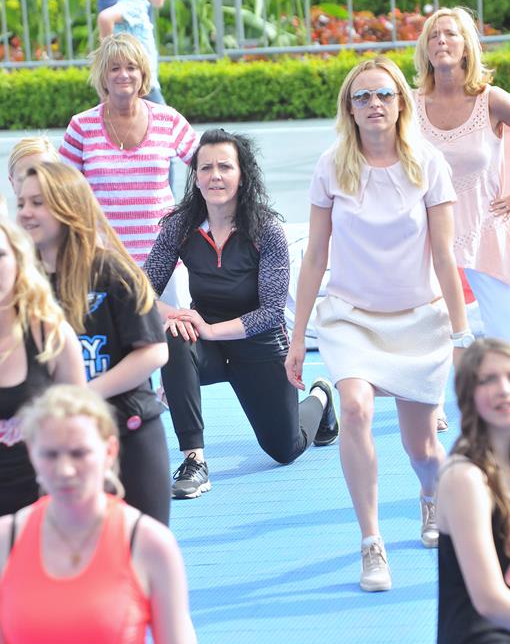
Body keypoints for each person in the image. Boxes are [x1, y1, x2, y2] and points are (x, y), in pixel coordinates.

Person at [285, 57, 470, 592]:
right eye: (362, 96)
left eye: (384, 94)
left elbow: (445, 256)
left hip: (419, 322)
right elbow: (315, 257)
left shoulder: (429, 163)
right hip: (351, 319)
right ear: (349, 107)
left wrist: (461, 336)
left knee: (423, 450)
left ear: (400, 102)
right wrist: (297, 337)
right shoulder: (331, 166)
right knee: (355, 409)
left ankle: (431, 498)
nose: (374, 104)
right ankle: (371, 542)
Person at [144, 128, 339, 499]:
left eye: (225, 167)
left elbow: (270, 313)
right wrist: (176, 315)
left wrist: (210, 329)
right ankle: (194, 461)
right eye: (206, 168)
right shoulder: (179, 227)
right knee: (175, 336)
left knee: (286, 449)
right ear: (195, 177)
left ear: (242, 175)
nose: (215, 176)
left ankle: (320, 397)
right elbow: (140, 292)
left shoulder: (266, 230)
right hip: (207, 345)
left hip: (259, 346)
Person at [0, 384, 205, 644]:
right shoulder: (7, 541)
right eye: (50, 454)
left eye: (79, 453)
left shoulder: (148, 544)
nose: (65, 469)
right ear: (32, 453)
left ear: (109, 451)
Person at [16, 161, 172, 525]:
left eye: (38, 203)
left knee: (141, 546)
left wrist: (84, 394)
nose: (25, 212)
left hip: (128, 430)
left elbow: (154, 351)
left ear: (68, 206)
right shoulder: (24, 282)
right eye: (21, 203)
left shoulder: (112, 273)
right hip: (60, 446)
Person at [60, 33, 198, 266]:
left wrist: (193, 218)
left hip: (164, 260)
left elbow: (206, 164)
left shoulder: (168, 119)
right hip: (103, 261)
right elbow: (60, 189)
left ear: (143, 73)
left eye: (131, 67)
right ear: (103, 77)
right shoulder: (81, 126)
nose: (123, 74)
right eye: (114, 68)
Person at [414, 6, 510, 342]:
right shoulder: (409, 106)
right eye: (433, 36)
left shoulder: (491, 100)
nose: (441, 40)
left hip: (487, 235)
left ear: (466, 46)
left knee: (504, 341)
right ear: (425, 49)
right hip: (425, 239)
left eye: (450, 33)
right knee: (426, 344)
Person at [429, 339, 510, 644]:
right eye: (488, 379)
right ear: (467, 395)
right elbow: (489, 599)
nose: (503, 389)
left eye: (509, 376)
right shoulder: (465, 477)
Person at [0, 218, 85, 516]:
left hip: (41, 507)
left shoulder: (50, 334)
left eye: (0, 255)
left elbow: (81, 429)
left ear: (18, 261)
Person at [98, 0, 170, 105]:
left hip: (140, 82)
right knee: (164, 117)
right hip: (140, 83)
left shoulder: (138, 3)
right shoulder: (134, 4)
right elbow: (105, 18)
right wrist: (107, 55)